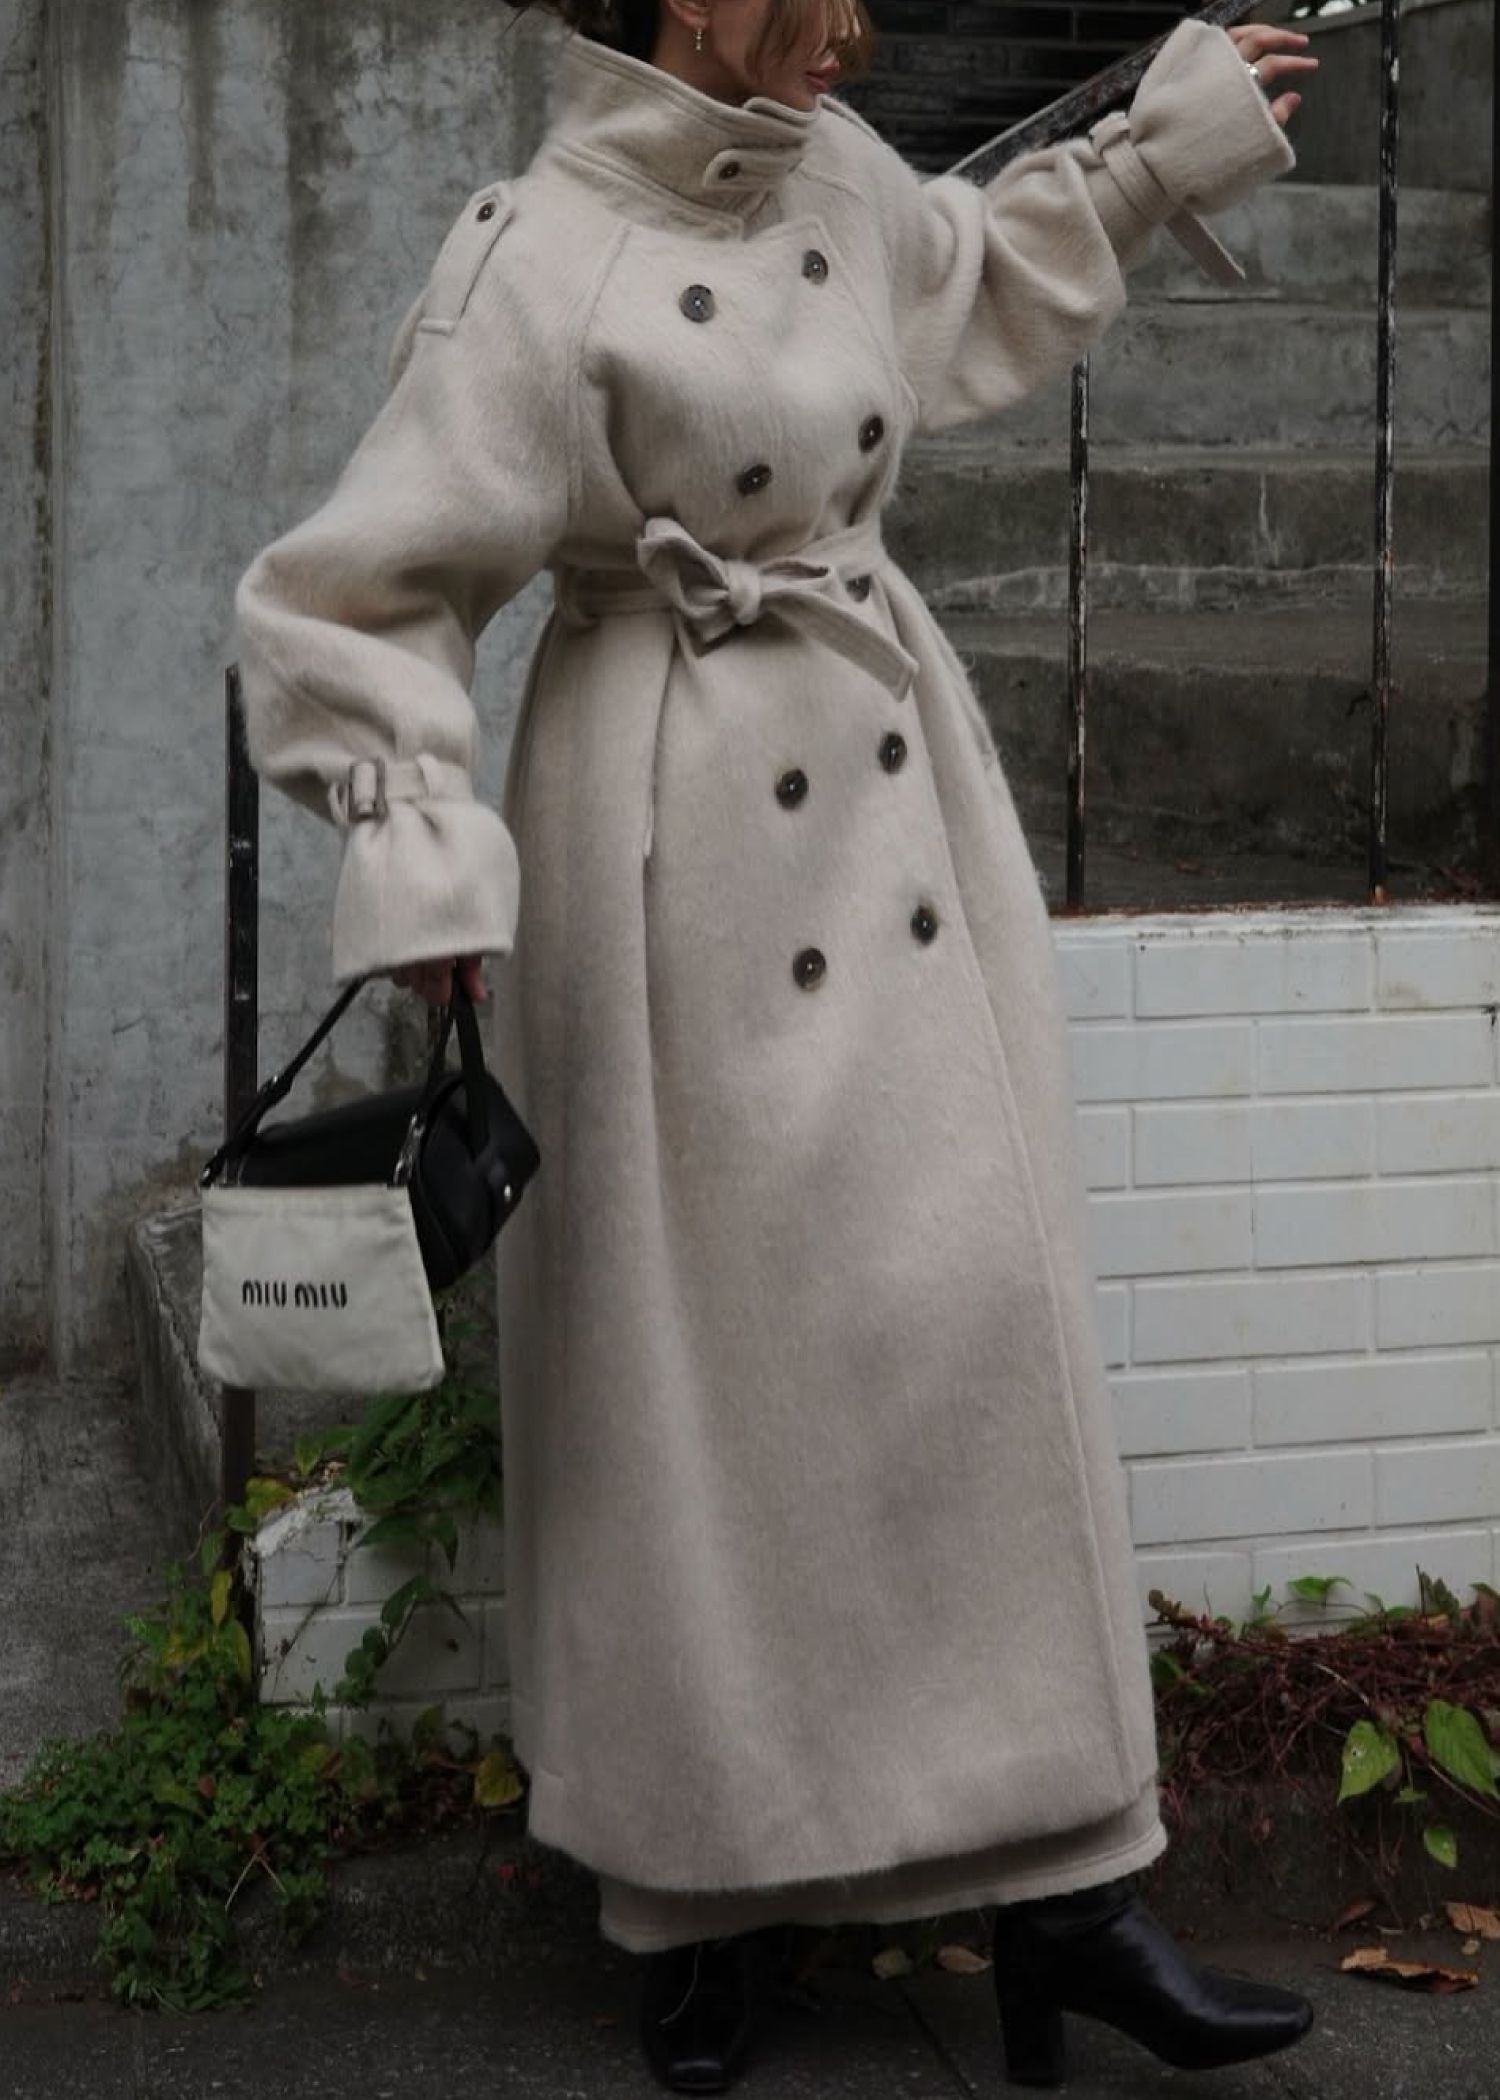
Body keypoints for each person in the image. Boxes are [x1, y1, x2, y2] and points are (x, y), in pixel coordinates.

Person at [232, 1, 1321, 2088]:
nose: (857, 29)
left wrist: (1151, 155)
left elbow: (965, 283)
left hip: (888, 786)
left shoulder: (835, 176)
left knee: (976, 1321)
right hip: (668, 844)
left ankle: (1069, 1894)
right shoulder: (537, 252)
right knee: (683, 1383)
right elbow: (348, 601)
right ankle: (697, 1899)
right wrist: (423, 856)